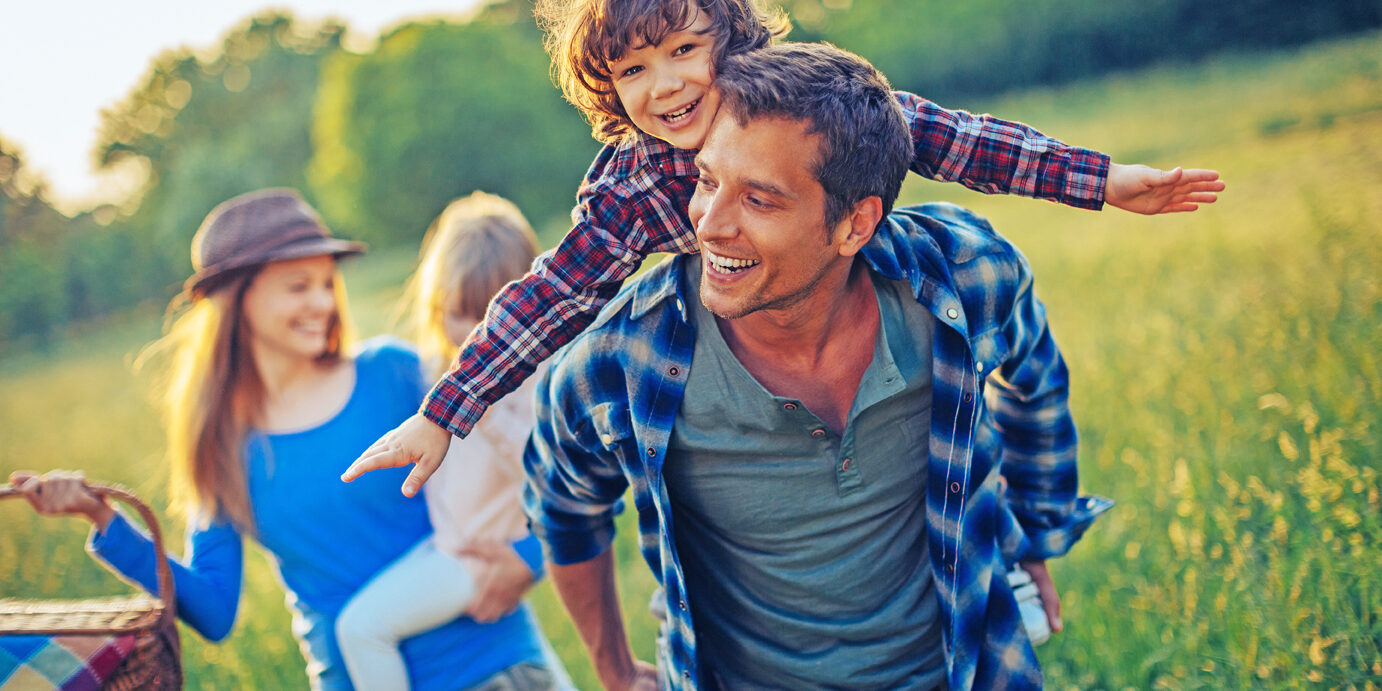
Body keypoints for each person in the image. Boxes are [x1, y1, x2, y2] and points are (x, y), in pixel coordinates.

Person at [343, 0, 1223, 497]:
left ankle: (991, 533)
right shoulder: (631, 184)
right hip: (743, 344)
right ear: (607, 89)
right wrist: (444, 410)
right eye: (634, 71)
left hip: (861, 300)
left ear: (728, 40)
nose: (668, 84)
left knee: (932, 433)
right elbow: (553, 293)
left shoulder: (804, 102)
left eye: (685, 50)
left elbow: (954, 138)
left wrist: (1102, 180)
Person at [524, 43, 1112, 690]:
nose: (710, 225)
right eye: (707, 180)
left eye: (761, 200)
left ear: (855, 225)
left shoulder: (965, 276)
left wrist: (1033, 533)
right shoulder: (621, 356)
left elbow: (1034, 383)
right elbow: (562, 502)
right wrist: (611, 668)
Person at [9, 188, 560, 691]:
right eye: (298, 287)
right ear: (235, 303)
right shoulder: (220, 445)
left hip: (490, 669)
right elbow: (213, 609)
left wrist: (528, 559)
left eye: (326, 283)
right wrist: (105, 522)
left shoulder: (394, 374)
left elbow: (531, 467)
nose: (322, 303)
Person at [334, 192, 572, 690]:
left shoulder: (536, 382)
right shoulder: (437, 369)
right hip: (449, 543)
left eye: (492, 315)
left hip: (477, 558)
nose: (472, 335)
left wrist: (482, 408)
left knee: (361, 628)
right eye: (458, 312)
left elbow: (550, 472)